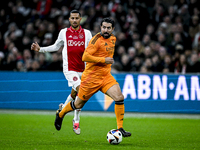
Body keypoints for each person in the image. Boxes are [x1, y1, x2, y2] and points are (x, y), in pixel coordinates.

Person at [54, 18, 131, 137]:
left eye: (108, 28)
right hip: (90, 79)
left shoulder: (113, 39)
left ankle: (120, 128)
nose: (106, 30)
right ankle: (60, 114)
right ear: (100, 27)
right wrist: (103, 60)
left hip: (105, 76)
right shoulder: (96, 41)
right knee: (78, 104)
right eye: (104, 27)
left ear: (113, 29)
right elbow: (85, 57)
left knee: (119, 97)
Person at [31, 10, 92, 135]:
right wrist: (40, 49)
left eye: (77, 18)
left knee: (75, 95)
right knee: (82, 92)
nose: (74, 20)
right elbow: (56, 46)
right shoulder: (64, 32)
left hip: (84, 70)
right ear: (69, 19)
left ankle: (61, 111)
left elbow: (91, 51)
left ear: (80, 19)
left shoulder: (87, 33)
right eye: (72, 18)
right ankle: (76, 121)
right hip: (70, 69)